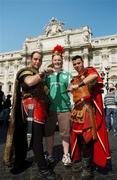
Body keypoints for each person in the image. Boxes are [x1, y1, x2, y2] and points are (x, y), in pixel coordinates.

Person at [3, 51, 61, 180]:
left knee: (27, 138)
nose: (37, 62)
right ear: (30, 59)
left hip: (38, 108)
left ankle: (21, 162)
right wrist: (44, 73)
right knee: (33, 140)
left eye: (39, 60)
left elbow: (45, 92)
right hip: (30, 108)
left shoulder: (38, 74)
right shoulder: (26, 71)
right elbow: (29, 82)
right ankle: (43, 169)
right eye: (35, 59)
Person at [70, 55, 111, 179]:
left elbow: (94, 77)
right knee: (79, 138)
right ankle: (83, 163)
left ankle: (88, 168)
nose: (77, 65)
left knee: (87, 138)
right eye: (75, 64)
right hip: (77, 111)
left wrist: (80, 84)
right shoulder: (74, 78)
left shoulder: (89, 71)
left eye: (78, 63)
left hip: (87, 110)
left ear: (83, 62)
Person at [45, 45, 72, 166]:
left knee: (65, 133)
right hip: (50, 109)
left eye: (59, 60)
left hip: (65, 108)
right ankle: (49, 155)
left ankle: (66, 155)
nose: (57, 62)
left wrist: (72, 88)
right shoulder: (48, 75)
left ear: (62, 61)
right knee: (49, 133)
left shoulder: (67, 74)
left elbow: (72, 87)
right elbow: (43, 89)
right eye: (55, 60)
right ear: (52, 61)